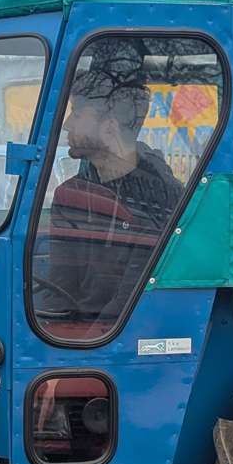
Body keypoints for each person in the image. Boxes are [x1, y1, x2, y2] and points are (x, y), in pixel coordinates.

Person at [37, 67, 183, 322]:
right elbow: (60, 285)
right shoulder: (70, 195)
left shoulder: (163, 197)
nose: (67, 124)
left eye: (78, 113)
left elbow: (131, 296)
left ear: (109, 127)